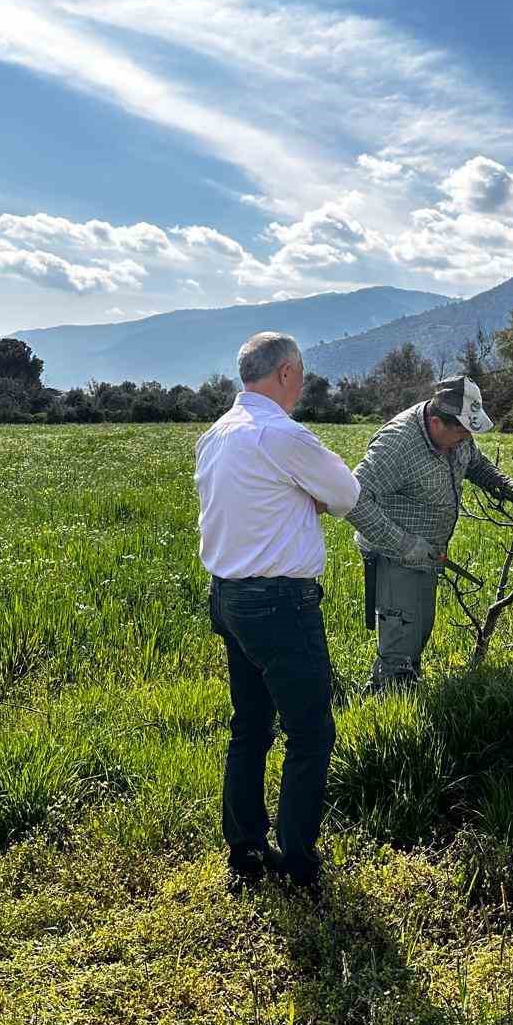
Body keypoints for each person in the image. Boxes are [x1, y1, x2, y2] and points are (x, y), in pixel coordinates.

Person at [194, 331, 360, 892]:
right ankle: (296, 860)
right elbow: (348, 493)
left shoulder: (216, 435)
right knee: (310, 732)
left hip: (228, 595)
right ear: (287, 373)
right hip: (281, 603)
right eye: (303, 373)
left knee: (250, 727)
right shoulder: (282, 434)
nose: (304, 383)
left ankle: (244, 848)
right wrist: (310, 498)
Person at [346, 375, 513, 693]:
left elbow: (475, 464)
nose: (466, 439)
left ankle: (404, 693)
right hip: (394, 556)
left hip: (428, 554)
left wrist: (511, 489)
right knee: (400, 643)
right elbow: (352, 498)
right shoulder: (398, 444)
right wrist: (404, 544)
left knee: (418, 631)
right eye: (462, 433)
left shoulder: (458, 435)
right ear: (436, 422)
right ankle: (383, 706)